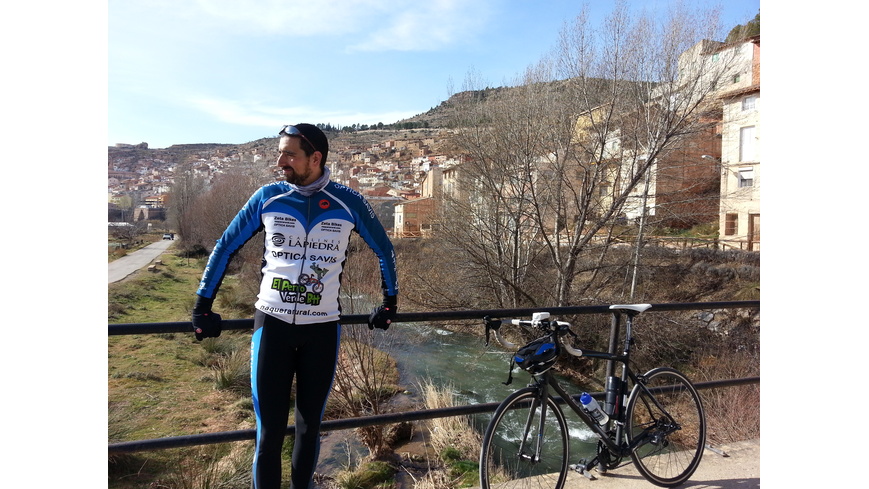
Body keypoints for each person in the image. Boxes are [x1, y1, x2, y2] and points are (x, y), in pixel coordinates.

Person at [191, 123, 398, 489]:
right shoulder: (268, 197)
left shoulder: (348, 201)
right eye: (280, 152)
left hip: (322, 329)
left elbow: (385, 249)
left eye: (289, 154)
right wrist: (202, 306)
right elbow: (225, 246)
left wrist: (389, 303)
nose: (280, 160)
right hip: (272, 324)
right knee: (269, 433)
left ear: (314, 158)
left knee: (309, 428)